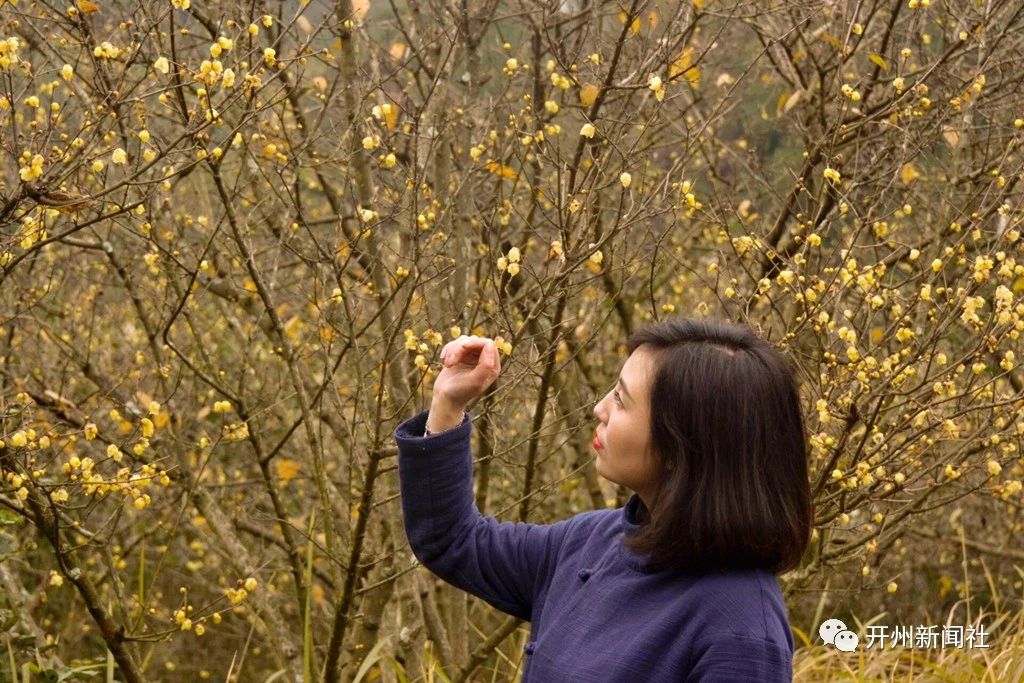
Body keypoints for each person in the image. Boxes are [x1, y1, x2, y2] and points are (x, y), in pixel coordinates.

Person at [393, 317, 813, 681]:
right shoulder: (591, 542)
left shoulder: (740, 630)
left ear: (682, 446)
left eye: (621, 399)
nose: (599, 409)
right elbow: (452, 539)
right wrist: (447, 403)